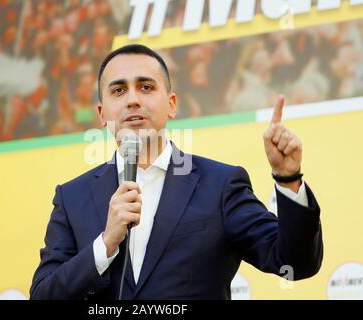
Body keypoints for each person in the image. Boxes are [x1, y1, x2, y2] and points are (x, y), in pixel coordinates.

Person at [30, 44, 323, 300]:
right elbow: (44, 294)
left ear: (171, 104)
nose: (133, 99)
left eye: (146, 87)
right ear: (102, 113)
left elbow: (295, 263)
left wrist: (288, 178)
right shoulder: (71, 197)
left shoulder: (219, 184)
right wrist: (105, 244)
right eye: (119, 90)